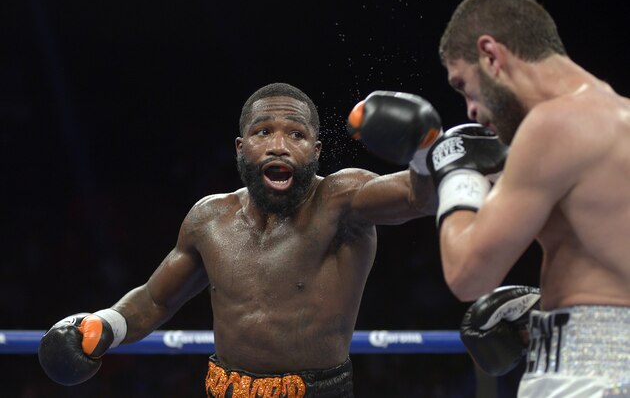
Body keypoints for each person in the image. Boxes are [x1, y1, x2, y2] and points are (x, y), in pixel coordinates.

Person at [38, 82, 443, 397]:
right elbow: (156, 299)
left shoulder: (340, 200)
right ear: (240, 147)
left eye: (297, 135)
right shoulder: (209, 218)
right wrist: (104, 325)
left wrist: (426, 150)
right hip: (222, 388)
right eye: (263, 132)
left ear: (316, 151)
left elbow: (416, 198)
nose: (278, 146)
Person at [426, 0, 630, 397]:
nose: (469, 109)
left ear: (491, 55)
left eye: (464, 85)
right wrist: (545, 308)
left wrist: (455, 173)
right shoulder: (615, 118)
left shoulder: (554, 124)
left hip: (587, 377)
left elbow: (468, 274)